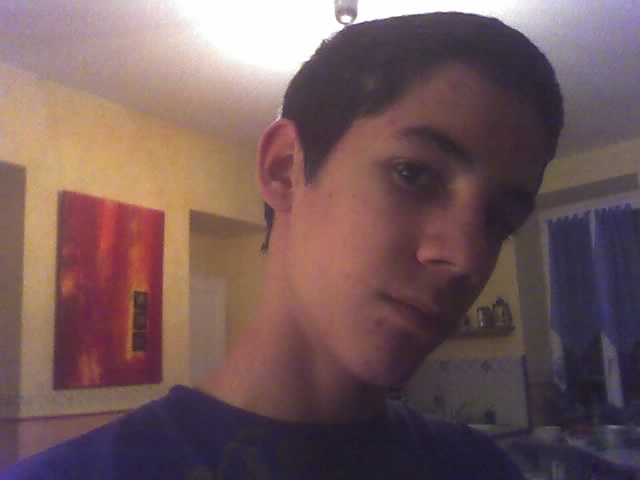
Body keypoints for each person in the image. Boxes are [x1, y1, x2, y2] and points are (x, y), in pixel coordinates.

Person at [1, 11, 563, 480]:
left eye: (499, 220)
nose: (466, 257)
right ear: (284, 168)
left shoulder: (480, 468)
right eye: (413, 174)